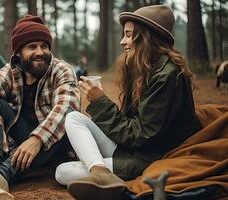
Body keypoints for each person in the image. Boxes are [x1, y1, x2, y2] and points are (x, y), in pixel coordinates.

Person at [55, 5, 201, 199]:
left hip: (150, 157)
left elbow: (140, 135)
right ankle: (101, 172)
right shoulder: (143, 67)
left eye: (129, 35)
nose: (123, 41)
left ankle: (100, 172)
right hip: (131, 149)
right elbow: (129, 126)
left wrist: (100, 102)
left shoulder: (167, 75)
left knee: (64, 172)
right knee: (73, 117)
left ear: (147, 37)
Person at [0, 15, 80, 191]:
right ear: (19, 53)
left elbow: (66, 109)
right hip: (24, 139)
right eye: (32, 47)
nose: (40, 52)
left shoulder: (61, 70)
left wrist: (36, 139)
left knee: (65, 121)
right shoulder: (12, 71)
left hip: (55, 144)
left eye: (44, 46)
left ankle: (3, 173)